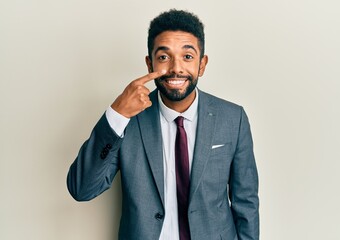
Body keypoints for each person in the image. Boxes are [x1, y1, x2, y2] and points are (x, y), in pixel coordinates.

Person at [67, 9, 259, 240]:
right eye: (164, 57)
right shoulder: (128, 120)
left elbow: (246, 202)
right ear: (150, 64)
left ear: (202, 64)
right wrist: (117, 114)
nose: (176, 68)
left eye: (187, 56)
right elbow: (82, 189)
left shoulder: (233, 118)